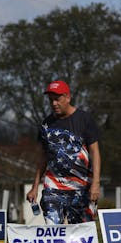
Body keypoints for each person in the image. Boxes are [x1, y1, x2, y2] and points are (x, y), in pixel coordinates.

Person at [26, 80, 100, 224]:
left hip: (81, 187)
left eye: (57, 99)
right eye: (51, 100)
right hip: (53, 188)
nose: (54, 103)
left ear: (67, 98)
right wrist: (34, 187)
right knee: (53, 231)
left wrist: (96, 183)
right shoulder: (46, 124)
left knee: (81, 235)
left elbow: (95, 152)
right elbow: (42, 157)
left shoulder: (84, 119)